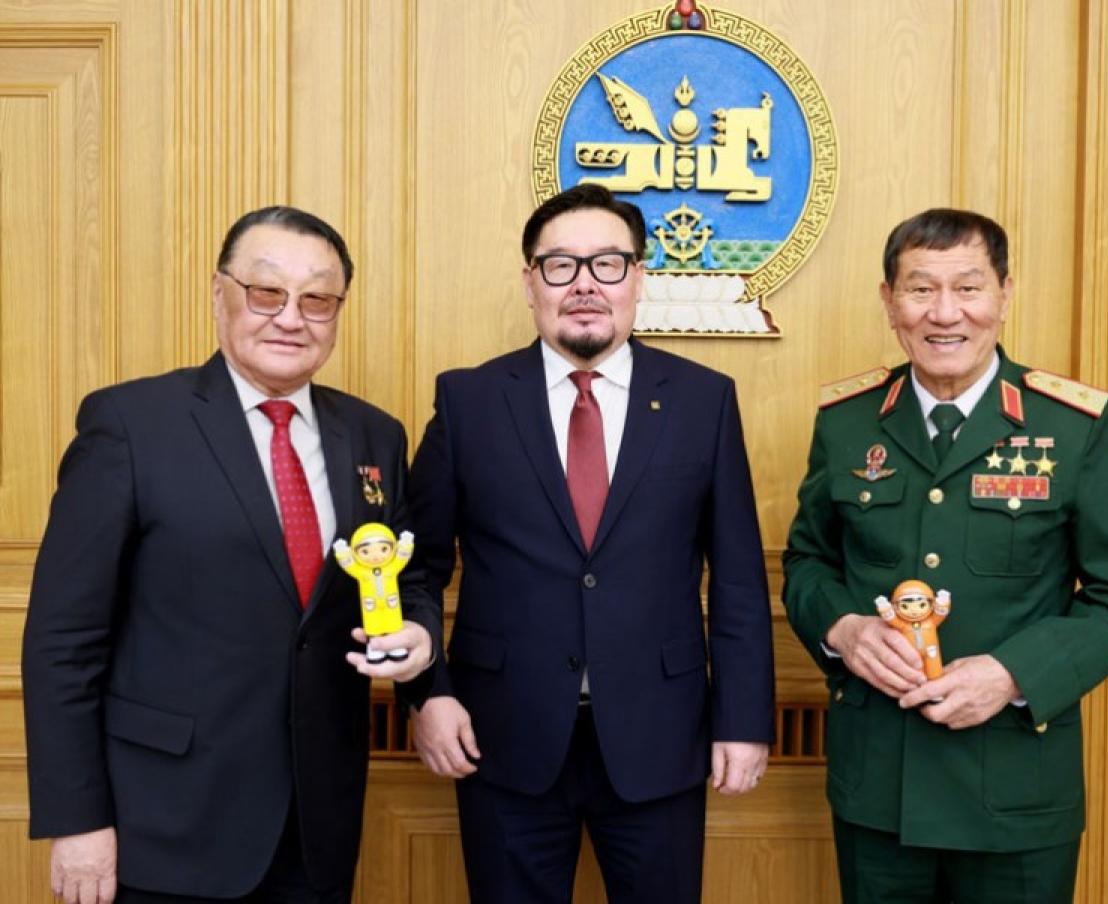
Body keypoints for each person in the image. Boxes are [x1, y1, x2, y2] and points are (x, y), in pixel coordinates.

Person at [21, 206, 439, 903]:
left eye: (317, 300)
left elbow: (407, 573)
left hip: (317, 823)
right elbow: (63, 639)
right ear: (220, 294)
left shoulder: (374, 435)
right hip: (164, 823)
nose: (291, 318)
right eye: (267, 292)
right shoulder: (130, 425)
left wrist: (419, 634)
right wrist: (77, 818)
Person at [782, 207, 1108, 903]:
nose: (944, 313)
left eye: (968, 287)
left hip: (1016, 792)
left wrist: (1012, 673)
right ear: (889, 302)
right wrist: (844, 628)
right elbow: (808, 562)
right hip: (880, 787)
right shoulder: (846, 422)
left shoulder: (1072, 426)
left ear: (1005, 295)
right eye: (920, 289)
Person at [405, 183, 775, 903]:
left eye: (607, 263)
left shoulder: (703, 400)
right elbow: (416, 569)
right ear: (530, 282)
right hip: (499, 735)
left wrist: (743, 720)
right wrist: (427, 696)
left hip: (661, 736)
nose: (584, 284)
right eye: (560, 265)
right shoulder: (469, 401)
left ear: (638, 278)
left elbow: (736, 578)